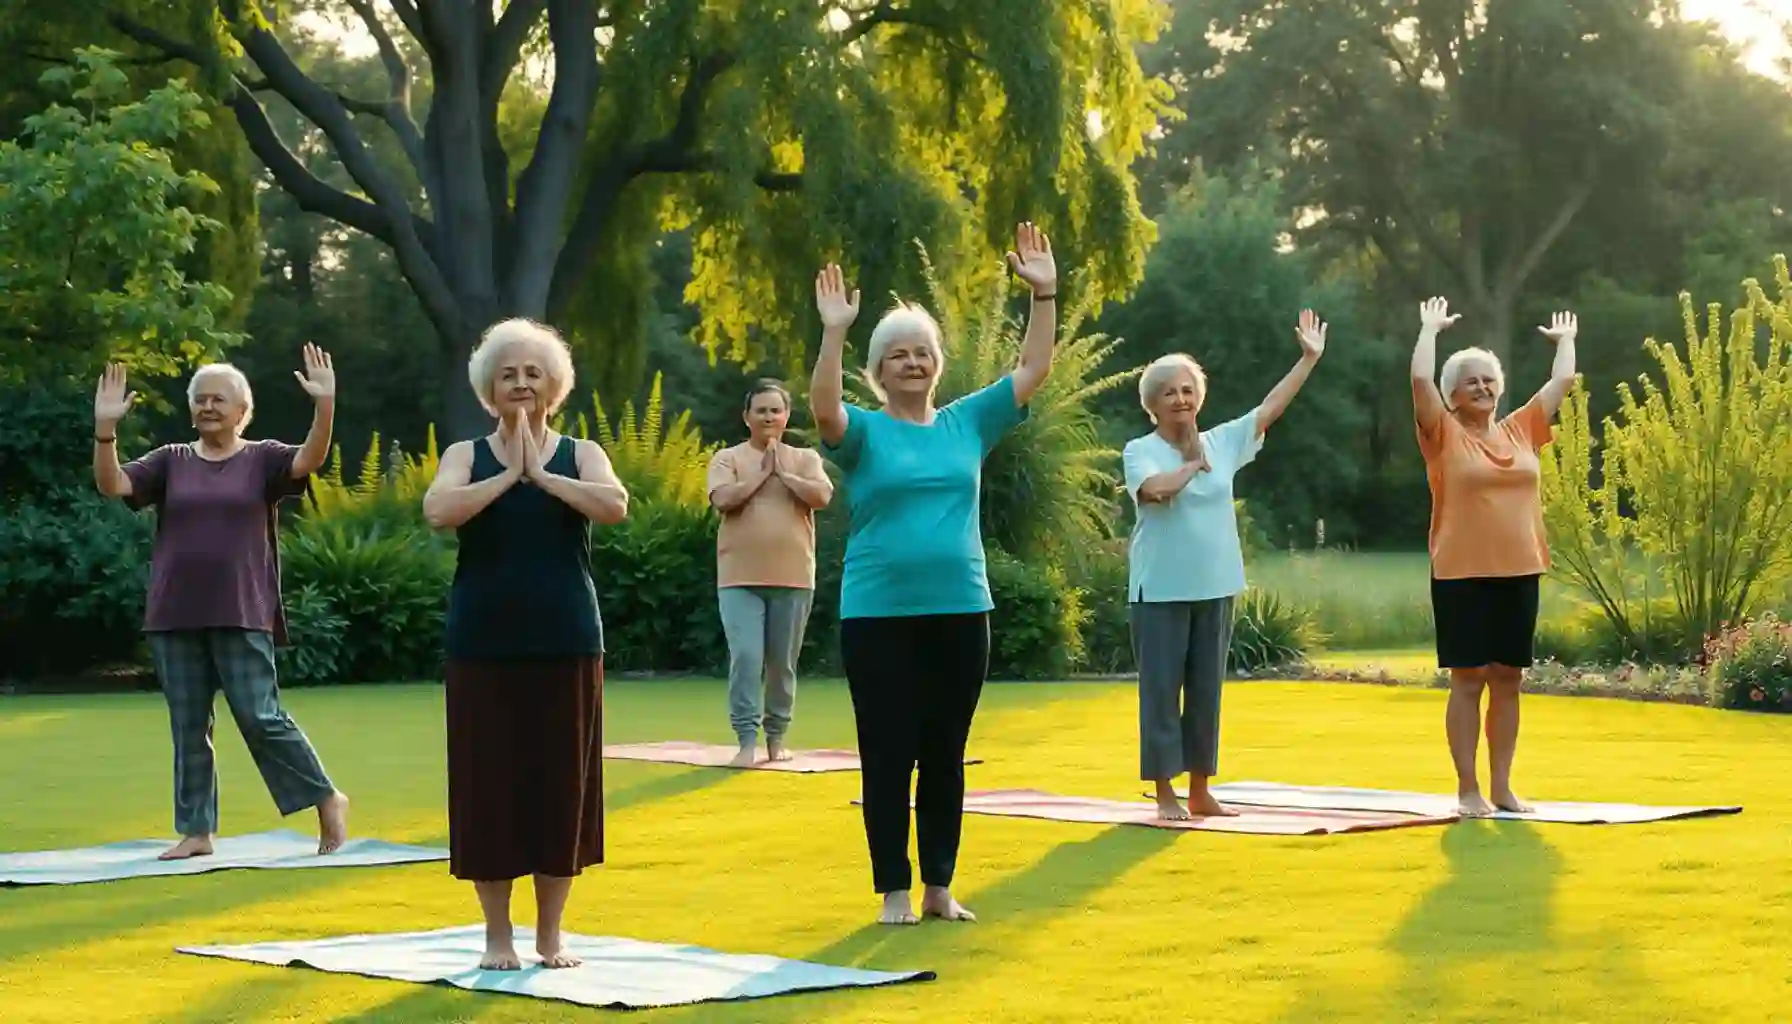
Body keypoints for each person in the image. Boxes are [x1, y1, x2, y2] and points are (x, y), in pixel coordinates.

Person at [810, 222, 1058, 926]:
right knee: (887, 752)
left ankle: (939, 888)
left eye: (922, 353)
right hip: (877, 614)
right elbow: (823, 408)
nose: (912, 363)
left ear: (937, 365)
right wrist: (834, 332)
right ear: (878, 370)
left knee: (945, 753)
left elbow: (1033, 369)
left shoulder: (966, 423)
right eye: (897, 355)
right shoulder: (864, 430)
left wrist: (1044, 295)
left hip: (959, 609)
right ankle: (893, 889)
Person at [422, 318, 629, 970]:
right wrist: (509, 474)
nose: (520, 383)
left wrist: (542, 474)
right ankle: (497, 936)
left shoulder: (580, 453)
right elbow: (438, 511)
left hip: (566, 637)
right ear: (489, 387)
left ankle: (550, 934)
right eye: (508, 374)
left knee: (561, 788)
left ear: (553, 385)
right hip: (482, 641)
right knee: (487, 789)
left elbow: (614, 505)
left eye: (532, 373)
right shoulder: (466, 455)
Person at [91, 347, 351, 861]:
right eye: (200, 399)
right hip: (174, 612)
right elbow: (112, 483)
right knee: (189, 725)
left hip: (241, 608)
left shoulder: (263, 458)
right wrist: (105, 432)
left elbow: (309, 460)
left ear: (242, 411)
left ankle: (325, 796)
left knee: (260, 716)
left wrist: (325, 407)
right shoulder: (170, 460)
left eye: (219, 399)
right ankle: (196, 832)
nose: (208, 406)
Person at [1123, 312, 1329, 821]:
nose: (1180, 398)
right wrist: (1192, 465)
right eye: (1169, 392)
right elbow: (1156, 490)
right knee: (1161, 693)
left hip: (1214, 586)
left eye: (1187, 389)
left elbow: (1271, 408)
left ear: (1199, 396)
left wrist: (1308, 359)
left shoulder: (1224, 441)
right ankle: (1165, 793)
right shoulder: (1140, 450)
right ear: (1152, 405)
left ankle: (1200, 791)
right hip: (1160, 591)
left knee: (1206, 693)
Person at [1411, 297, 1578, 817]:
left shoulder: (1520, 429)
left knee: (1509, 679)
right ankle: (1468, 789)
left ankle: (1502, 787)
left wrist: (1566, 341)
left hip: (1520, 569)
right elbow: (1418, 380)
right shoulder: (1442, 434)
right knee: (1468, 679)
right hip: (1461, 573)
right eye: (1471, 382)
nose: (1482, 387)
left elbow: (1562, 382)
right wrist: (1429, 330)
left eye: (1489, 380)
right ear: (1452, 396)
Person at [707, 379, 835, 767]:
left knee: (782, 664)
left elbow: (822, 496)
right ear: (746, 417)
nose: (768, 417)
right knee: (746, 658)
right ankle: (746, 741)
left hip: (794, 576)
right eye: (760, 410)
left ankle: (776, 739)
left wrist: (785, 474)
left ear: (786, 416)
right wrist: (762, 474)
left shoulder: (805, 459)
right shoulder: (728, 458)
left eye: (775, 410)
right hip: (739, 578)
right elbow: (723, 499)